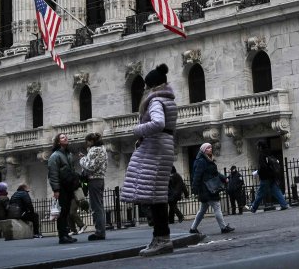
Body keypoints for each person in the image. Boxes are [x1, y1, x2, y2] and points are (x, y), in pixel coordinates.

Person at [121, 63, 179, 257]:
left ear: (151, 86)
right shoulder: (168, 99)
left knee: (155, 197)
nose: (144, 89)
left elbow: (158, 123)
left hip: (155, 147)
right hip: (164, 145)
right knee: (158, 195)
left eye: (146, 86)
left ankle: (161, 238)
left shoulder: (155, 101)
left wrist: (138, 130)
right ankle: (160, 237)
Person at [189, 142, 234, 236]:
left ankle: (193, 228)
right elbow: (197, 176)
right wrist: (194, 189)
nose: (211, 149)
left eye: (211, 147)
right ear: (204, 150)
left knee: (202, 210)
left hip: (209, 188)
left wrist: (224, 178)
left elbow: (215, 173)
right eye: (208, 148)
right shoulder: (201, 161)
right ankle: (223, 227)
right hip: (207, 189)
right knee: (217, 206)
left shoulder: (208, 160)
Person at [47, 132, 80, 244]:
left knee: (66, 212)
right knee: (62, 212)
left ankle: (66, 234)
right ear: (58, 141)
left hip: (69, 186)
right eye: (62, 137)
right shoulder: (55, 156)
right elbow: (53, 174)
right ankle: (62, 236)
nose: (65, 138)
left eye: (66, 137)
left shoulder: (68, 154)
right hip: (61, 187)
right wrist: (56, 189)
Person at [79, 132, 108, 240]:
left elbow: (90, 167)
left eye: (87, 142)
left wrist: (82, 159)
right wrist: (86, 157)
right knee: (99, 206)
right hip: (100, 179)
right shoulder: (102, 149)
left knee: (96, 207)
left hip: (93, 180)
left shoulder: (94, 150)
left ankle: (99, 232)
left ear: (91, 141)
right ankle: (101, 231)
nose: (86, 144)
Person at [248, 140, 290, 213]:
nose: (257, 148)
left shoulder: (262, 155)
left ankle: (253, 207)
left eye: (258, 146)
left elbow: (263, 167)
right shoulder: (269, 153)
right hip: (272, 176)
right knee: (276, 190)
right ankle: (284, 204)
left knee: (260, 193)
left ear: (260, 147)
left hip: (265, 177)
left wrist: (258, 172)